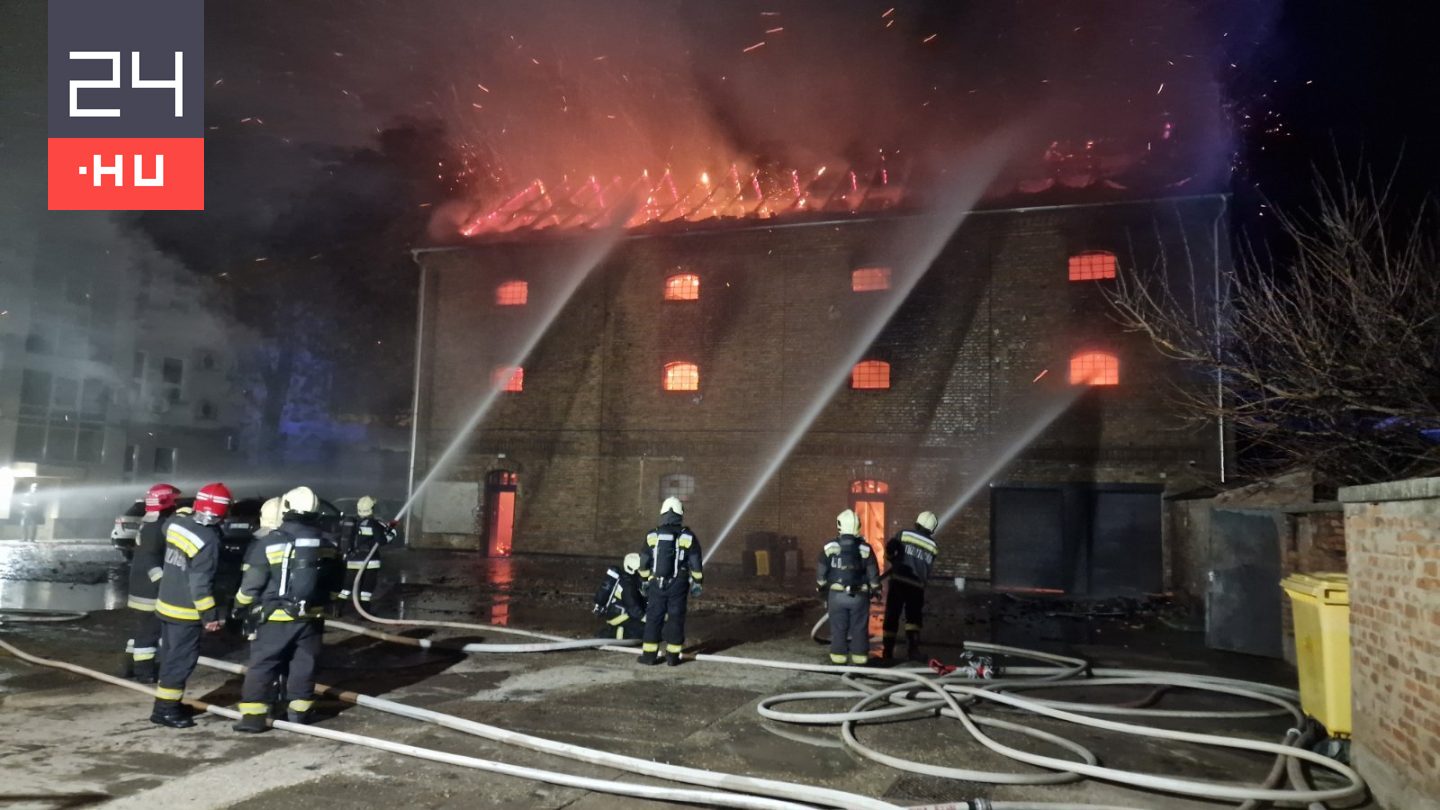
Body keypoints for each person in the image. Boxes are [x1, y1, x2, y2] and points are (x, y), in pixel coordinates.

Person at [231, 486, 343, 733]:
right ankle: (299, 714)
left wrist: (240, 606)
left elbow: (252, 584)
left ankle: (253, 718)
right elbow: (336, 582)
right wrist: (327, 603)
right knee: (304, 663)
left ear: (286, 509)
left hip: (275, 615)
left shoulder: (271, 541)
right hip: (312, 616)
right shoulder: (328, 542)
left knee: (263, 663)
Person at [150, 482, 232, 728]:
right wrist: (209, 616)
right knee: (180, 661)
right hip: (186, 613)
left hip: (166, 605)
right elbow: (200, 584)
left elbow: (166, 526)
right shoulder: (208, 540)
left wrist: (186, 511)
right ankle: (165, 711)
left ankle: (169, 704)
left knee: (170, 658)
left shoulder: (176, 524)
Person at [121, 483, 181, 683]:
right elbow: (151, 561)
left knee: (141, 631)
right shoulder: (157, 527)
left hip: (140, 587)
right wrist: (163, 583)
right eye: (174, 503)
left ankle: (129, 667)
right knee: (150, 633)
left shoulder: (148, 523)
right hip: (150, 592)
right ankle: (144, 673)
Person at [636, 497, 704, 666]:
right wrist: (697, 582)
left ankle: (649, 656)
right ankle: (673, 657)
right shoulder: (688, 536)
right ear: (680, 514)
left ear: (663, 513)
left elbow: (643, 561)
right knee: (676, 617)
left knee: (653, 618)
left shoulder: (652, 535)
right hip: (679, 583)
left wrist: (645, 580)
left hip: (656, 583)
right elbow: (695, 562)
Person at [816, 509, 881, 667]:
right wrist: (876, 589)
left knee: (838, 628)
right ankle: (860, 659)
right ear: (858, 526)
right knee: (859, 627)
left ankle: (839, 659)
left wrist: (822, 587)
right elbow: (873, 573)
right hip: (860, 596)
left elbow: (821, 572)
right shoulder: (865, 548)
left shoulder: (830, 547)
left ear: (839, 525)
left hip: (836, 596)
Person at [882, 511, 940, 662]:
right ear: (932, 529)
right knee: (913, 619)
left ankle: (887, 651)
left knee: (892, 615)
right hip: (916, 586)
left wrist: (892, 559)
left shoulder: (904, 534)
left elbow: (890, 547)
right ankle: (913, 651)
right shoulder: (933, 546)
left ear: (917, 523)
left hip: (898, 581)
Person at [338, 495, 396, 613]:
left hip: (353, 559)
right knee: (367, 587)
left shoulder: (353, 522)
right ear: (371, 509)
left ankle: (337, 609)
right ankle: (365, 612)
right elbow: (381, 541)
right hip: (370, 561)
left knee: (347, 587)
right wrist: (391, 535)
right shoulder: (373, 523)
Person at [592, 553, 647, 640]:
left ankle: (615, 631)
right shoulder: (628, 585)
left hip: (621, 616)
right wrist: (647, 619)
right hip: (621, 618)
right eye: (639, 570)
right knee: (647, 631)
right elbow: (633, 608)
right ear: (632, 570)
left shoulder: (626, 580)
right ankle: (614, 633)